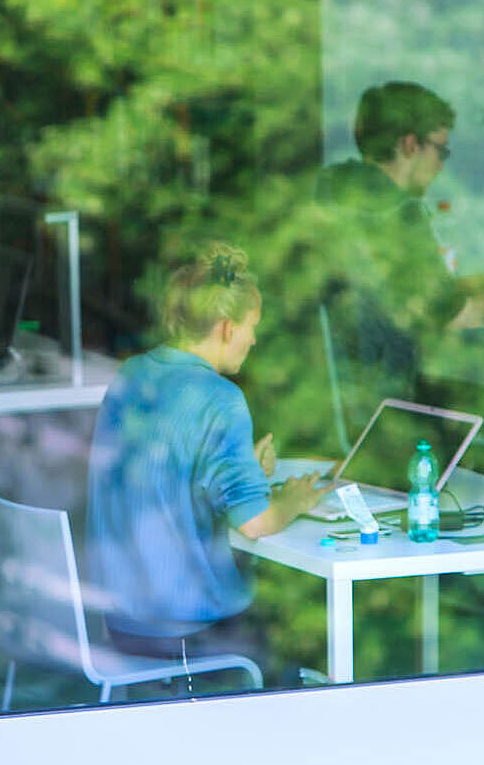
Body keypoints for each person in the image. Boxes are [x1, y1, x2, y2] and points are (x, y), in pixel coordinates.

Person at [86, 243, 331, 666]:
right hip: (183, 623)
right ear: (224, 327)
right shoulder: (220, 399)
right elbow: (255, 524)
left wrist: (244, 472)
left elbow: (161, 477)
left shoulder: (133, 373)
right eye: (251, 325)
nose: (253, 338)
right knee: (306, 635)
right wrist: (293, 500)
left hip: (121, 616)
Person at [312, 82, 484, 424]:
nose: (441, 165)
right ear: (410, 145)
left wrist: (475, 283)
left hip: (324, 404)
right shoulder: (399, 215)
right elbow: (455, 315)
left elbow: (402, 292)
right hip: (383, 413)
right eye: (440, 151)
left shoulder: (325, 192)